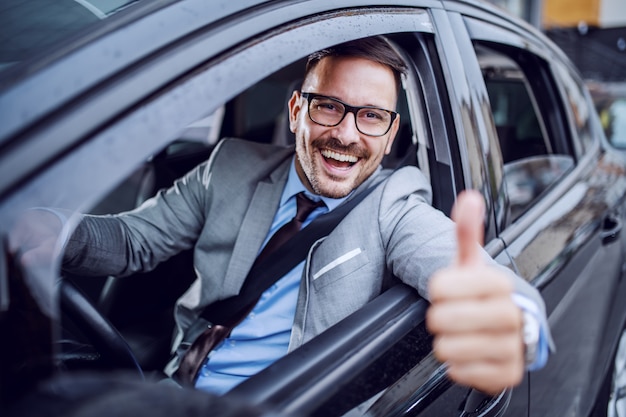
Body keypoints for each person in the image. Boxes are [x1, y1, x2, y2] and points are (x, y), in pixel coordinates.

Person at [10, 36, 550, 397]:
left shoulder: (396, 207)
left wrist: (512, 321)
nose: (345, 133)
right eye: (328, 106)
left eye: (371, 117)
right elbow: (132, 241)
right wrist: (55, 229)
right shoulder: (228, 167)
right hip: (176, 391)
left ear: (389, 137)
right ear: (296, 111)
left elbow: (482, 281)